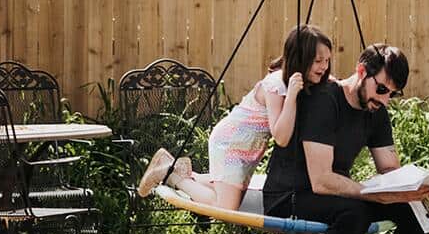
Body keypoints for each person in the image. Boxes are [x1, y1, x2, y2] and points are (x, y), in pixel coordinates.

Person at [261, 43, 429, 234]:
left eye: (393, 94)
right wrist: (369, 193)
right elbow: (321, 180)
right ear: (361, 72)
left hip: (331, 195)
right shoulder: (325, 100)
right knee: (354, 212)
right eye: (382, 89)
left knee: (414, 211)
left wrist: (414, 188)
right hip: (290, 195)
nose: (386, 99)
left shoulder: (375, 108)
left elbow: (389, 168)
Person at [137, 25, 334, 210]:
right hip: (231, 144)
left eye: (327, 61)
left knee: (224, 192)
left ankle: (182, 171)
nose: (324, 66)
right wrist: (291, 96)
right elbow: (281, 137)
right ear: (300, 58)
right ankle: (172, 176)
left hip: (247, 150)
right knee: (226, 207)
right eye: (318, 61)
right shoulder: (277, 84)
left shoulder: (297, 81)